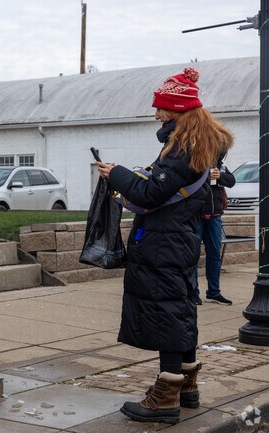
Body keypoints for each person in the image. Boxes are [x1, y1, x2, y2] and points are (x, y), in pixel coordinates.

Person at [96, 67, 233, 425]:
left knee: (167, 311)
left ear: (175, 110)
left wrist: (117, 173)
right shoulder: (197, 144)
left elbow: (150, 191)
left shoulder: (183, 148)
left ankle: (165, 398)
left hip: (164, 241)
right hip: (180, 238)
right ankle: (187, 385)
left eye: (160, 108)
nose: (156, 114)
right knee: (181, 306)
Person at [195, 155, 236, 305]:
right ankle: (193, 292)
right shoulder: (195, 161)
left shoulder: (220, 164)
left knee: (214, 255)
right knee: (193, 255)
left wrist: (220, 176)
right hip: (197, 215)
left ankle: (214, 292)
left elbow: (232, 181)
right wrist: (206, 176)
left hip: (215, 215)